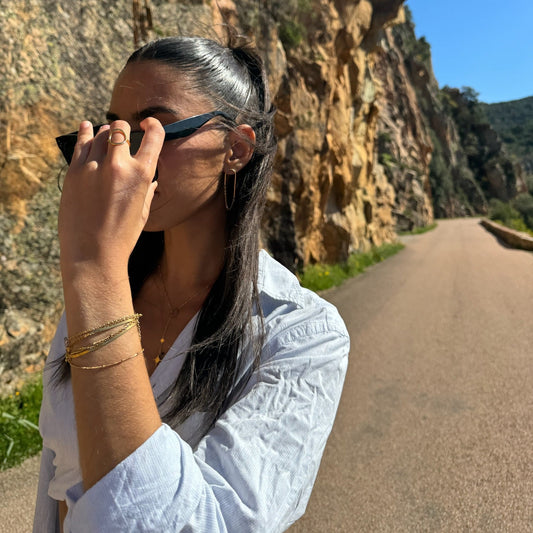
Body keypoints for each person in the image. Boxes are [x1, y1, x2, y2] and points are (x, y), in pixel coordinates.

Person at [33, 31, 349, 533]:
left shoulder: (302, 334)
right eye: (114, 131)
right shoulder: (105, 288)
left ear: (237, 149)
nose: (122, 156)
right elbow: (57, 477)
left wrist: (94, 273)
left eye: (155, 129)